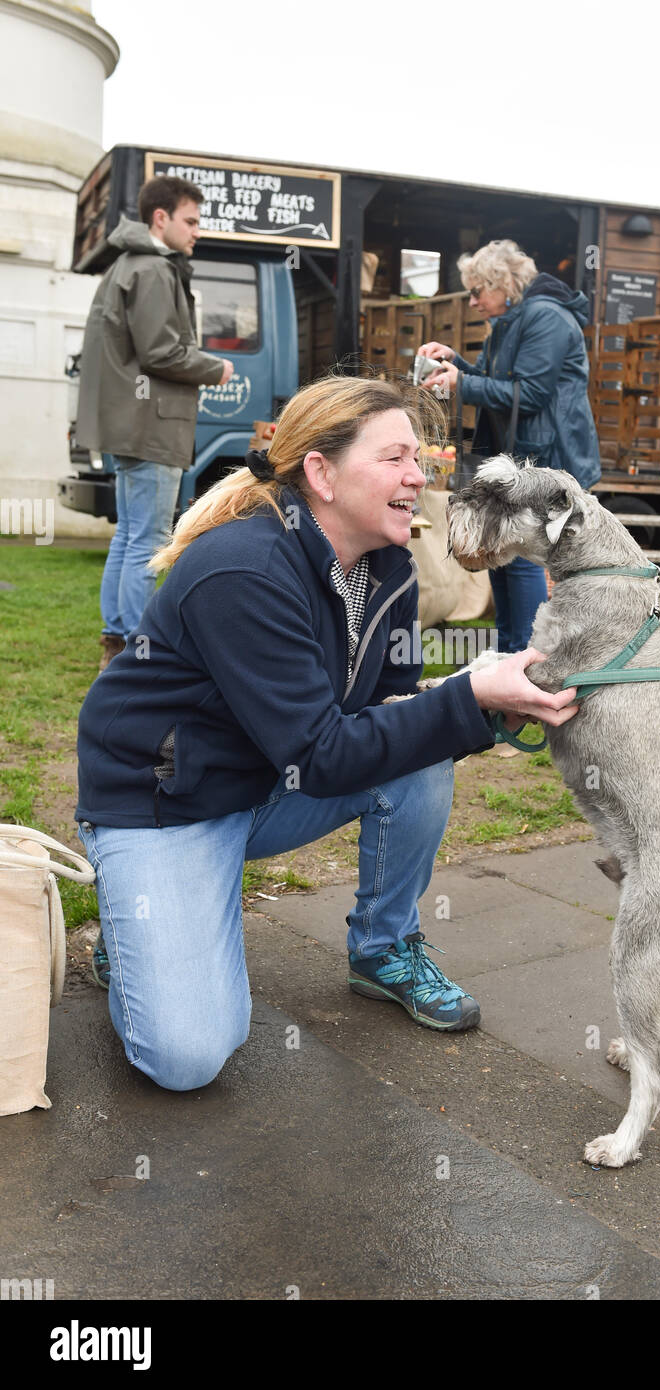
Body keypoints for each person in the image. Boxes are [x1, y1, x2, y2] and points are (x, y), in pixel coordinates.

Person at [74, 376, 579, 1089]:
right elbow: (322, 753)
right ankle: (134, 930)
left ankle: (384, 948)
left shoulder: (388, 568)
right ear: (321, 472)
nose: (419, 476)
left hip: (264, 784)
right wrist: (467, 694)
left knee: (424, 750)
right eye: (396, 457)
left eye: (421, 460)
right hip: (165, 807)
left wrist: (492, 705)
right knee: (186, 1060)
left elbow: (392, 715)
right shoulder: (242, 569)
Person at [76, 175, 234, 672]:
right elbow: (162, 352)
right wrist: (217, 367)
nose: (197, 231)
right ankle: (135, 650)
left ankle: (117, 641)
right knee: (145, 542)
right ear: (159, 218)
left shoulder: (128, 264)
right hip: (153, 425)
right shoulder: (154, 269)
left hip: (131, 423)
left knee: (127, 537)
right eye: (190, 221)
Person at [417, 238, 600, 652]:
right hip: (522, 454)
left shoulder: (546, 317)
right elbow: (494, 381)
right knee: (500, 550)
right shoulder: (511, 320)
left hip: (548, 458)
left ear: (504, 285)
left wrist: (461, 382)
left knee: (517, 555)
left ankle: (528, 655)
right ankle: (511, 653)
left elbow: (531, 393)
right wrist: (455, 363)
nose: (473, 301)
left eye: (478, 291)